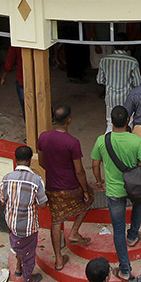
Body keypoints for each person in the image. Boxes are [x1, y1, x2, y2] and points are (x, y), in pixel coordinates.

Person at [91, 106, 141, 280]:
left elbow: (95, 164)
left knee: (118, 230)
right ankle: (133, 235)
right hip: (134, 187)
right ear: (127, 121)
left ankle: (125, 269)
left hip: (114, 191)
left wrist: (99, 180)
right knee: (140, 203)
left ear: (111, 120)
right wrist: (135, 166)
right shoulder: (135, 140)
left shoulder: (102, 140)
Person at [37, 105, 94, 271]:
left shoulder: (44, 137)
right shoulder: (72, 143)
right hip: (70, 186)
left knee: (56, 221)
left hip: (52, 186)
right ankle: (74, 232)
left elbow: (41, 161)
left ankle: (58, 259)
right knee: (89, 199)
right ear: (69, 120)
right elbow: (79, 171)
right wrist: (84, 190)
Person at [0, 145, 48, 282]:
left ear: (15, 159)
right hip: (28, 225)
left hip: (11, 222)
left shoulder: (6, 179)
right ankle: (27, 279)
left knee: (19, 246)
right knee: (28, 252)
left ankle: (19, 268)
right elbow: (43, 205)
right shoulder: (36, 180)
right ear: (30, 160)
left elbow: (3, 201)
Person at [97, 41, 141, 134]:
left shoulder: (104, 60)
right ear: (126, 46)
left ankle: (108, 145)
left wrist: (109, 83)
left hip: (111, 98)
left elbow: (100, 80)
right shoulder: (132, 61)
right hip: (127, 99)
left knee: (110, 123)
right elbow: (138, 83)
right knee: (129, 123)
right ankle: (126, 145)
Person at [1, 44, 27, 118]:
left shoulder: (16, 43)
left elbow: (9, 62)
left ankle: (29, 125)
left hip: (22, 78)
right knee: (41, 99)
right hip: (37, 76)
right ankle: (50, 116)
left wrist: (4, 76)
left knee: (25, 106)